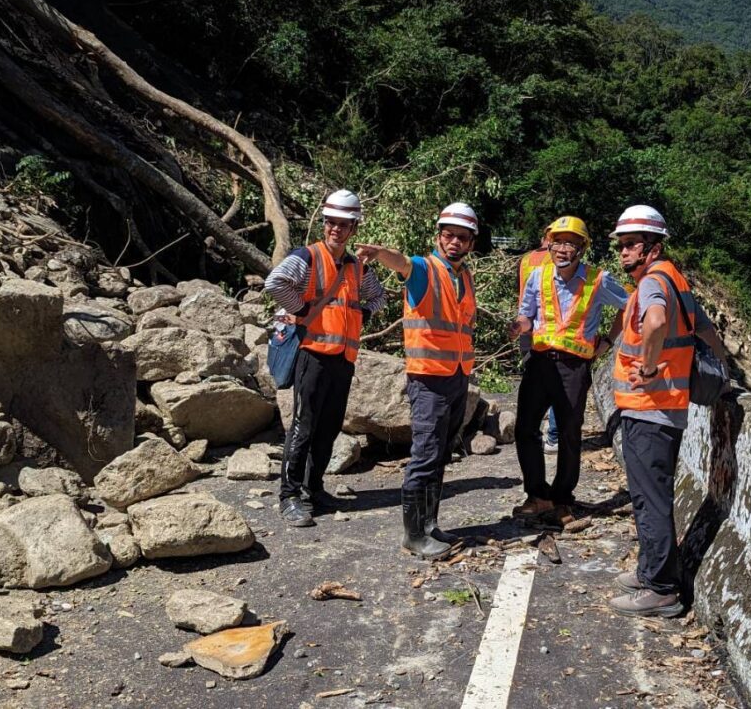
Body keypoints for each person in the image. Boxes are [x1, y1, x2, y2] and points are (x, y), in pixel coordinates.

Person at [607, 205, 728, 618]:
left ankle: (661, 589)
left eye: (630, 245)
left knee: (650, 500)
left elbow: (656, 323)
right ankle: (649, 570)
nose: (623, 252)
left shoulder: (653, 285)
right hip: (666, 409)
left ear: (652, 247)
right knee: (651, 496)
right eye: (620, 245)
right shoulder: (676, 279)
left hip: (650, 407)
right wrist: (723, 367)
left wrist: (646, 362)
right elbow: (706, 330)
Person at [357, 203, 480, 559]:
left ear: (471, 242)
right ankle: (414, 535)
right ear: (438, 236)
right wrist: (380, 254)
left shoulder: (465, 277)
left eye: (462, 237)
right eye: (448, 235)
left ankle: (429, 525)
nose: (454, 242)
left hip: (457, 377)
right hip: (428, 379)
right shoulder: (425, 269)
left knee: (441, 454)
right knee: (425, 455)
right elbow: (403, 263)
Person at [264, 190, 386, 528]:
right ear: (325, 223)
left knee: (329, 427)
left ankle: (313, 488)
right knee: (303, 427)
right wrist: (302, 310)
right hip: (312, 355)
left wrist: (363, 312)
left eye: (344, 224)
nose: (336, 229)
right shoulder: (309, 256)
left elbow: (379, 296)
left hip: (343, 359)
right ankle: (289, 496)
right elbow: (275, 281)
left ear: (353, 229)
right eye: (331, 222)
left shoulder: (356, 267)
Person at [509, 215, 627, 523]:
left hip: (574, 366)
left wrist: (609, 342)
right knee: (525, 428)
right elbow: (527, 314)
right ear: (548, 244)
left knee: (570, 433)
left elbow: (631, 306)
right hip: (539, 362)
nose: (563, 249)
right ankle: (538, 495)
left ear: (582, 248)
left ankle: (562, 498)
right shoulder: (537, 276)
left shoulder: (598, 279)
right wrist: (518, 326)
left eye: (571, 243)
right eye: (558, 242)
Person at [516, 233, 560, 452]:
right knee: (555, 381)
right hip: (548, 328)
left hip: (525, 324)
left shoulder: (526, 259)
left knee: (532, 379)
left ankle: (532, 431)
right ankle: (553, 436)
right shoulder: (555, 260)